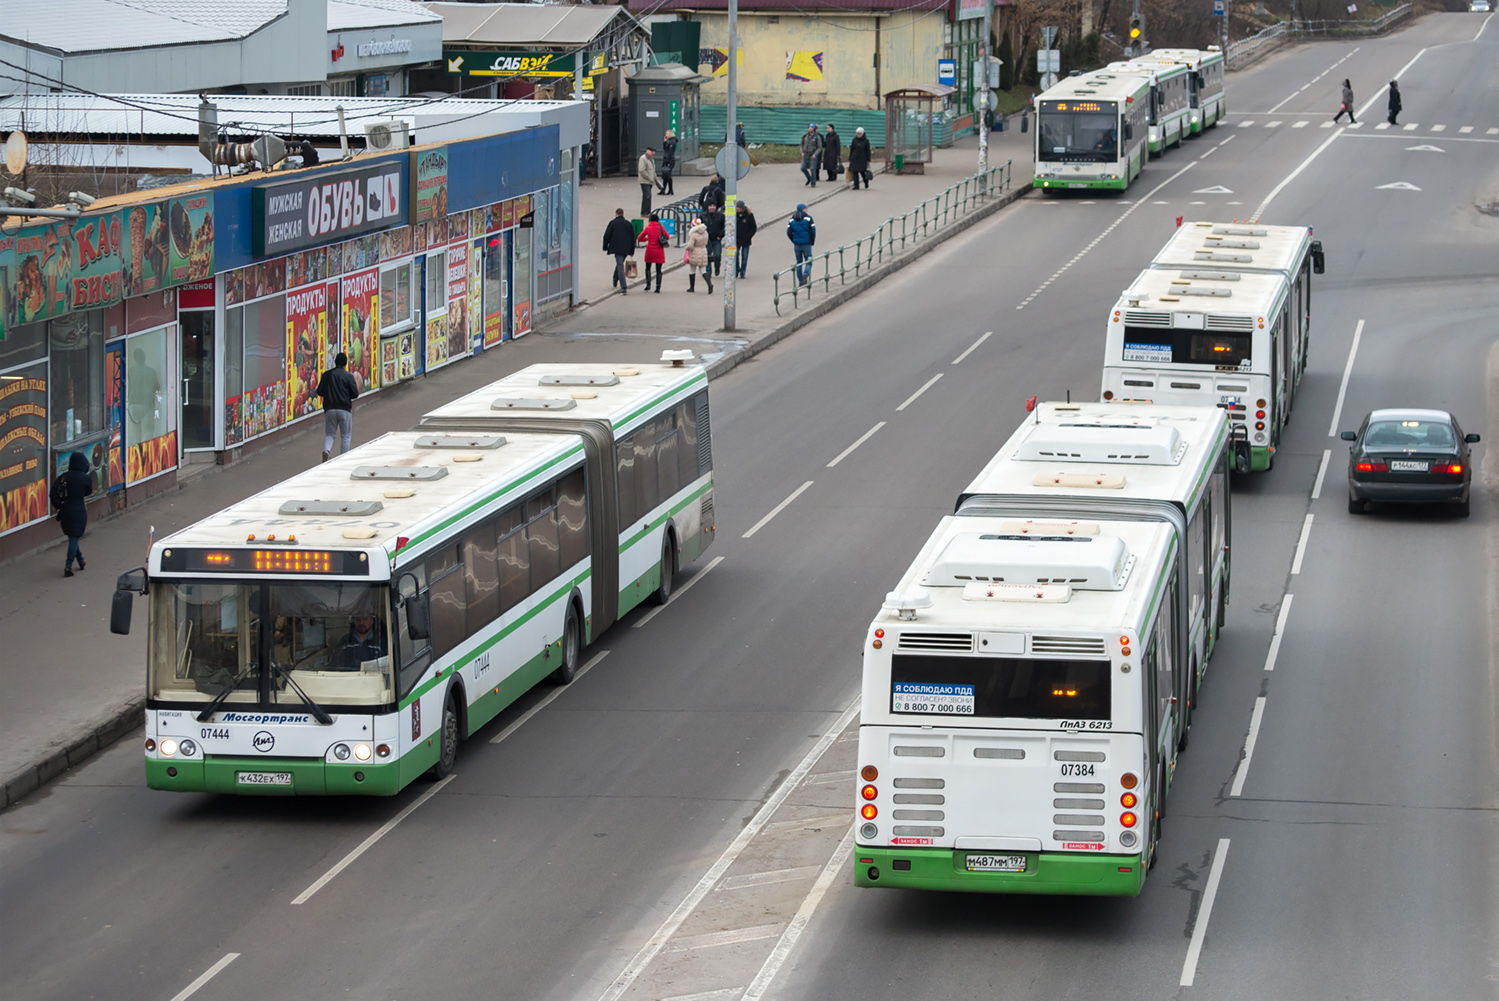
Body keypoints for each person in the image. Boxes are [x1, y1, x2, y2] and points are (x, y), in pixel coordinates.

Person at [53, 451, 93, 577]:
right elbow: (88, 492)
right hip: (79, 510)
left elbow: (53, 493)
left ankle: (81, 561)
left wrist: (58, 506)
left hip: (66, 511)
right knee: (74, 538)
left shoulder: (63, 477)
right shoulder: (85, 478)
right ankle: (68, 566)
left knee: (72, 537)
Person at [315, 352, 361, 462]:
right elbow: (355, 394)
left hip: (330, 409)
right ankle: (343, 459)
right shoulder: (349, 376)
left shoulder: (326, 375)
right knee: (345, 435)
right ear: (345, 363)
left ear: (335, 362)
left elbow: (319, 391)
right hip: (344, 409)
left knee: (330, 433)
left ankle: (326, 450)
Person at [602, 207, 637, 296]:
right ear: (623, 214)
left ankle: (623, 287)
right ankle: (615, 278)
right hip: (626, 249)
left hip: (617, 248)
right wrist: (632, 250)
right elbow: (633, 238)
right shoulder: (628, 224)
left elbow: (606, 236)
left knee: (620, 265)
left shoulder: (613, 223)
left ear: (616, 214)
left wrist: (605, 247)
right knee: (620, 263)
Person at [637, 211, 668, 293]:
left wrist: (647, 239)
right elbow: (667, 236)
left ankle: (648, 285)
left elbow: (639, 238)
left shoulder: (648, 227)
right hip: (659, 250)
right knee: (658, 270)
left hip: (650, 250)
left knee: (648, 268)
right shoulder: (661, 227)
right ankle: (658, 287)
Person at [786, 202, 815, 286]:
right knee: (809, 260)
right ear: (802, 210)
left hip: (797, 244)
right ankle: (805, 274)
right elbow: (813, 231)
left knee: (799, 262)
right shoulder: (808, 219)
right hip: (806, 243)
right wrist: (811, 241)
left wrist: (794, 240)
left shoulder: (792, 219)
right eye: (806, 209)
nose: (807, 210)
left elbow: (788, 232)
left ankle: (801, 281)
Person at [684, 217, 711, 293]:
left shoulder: (693, 234)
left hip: (695, 251)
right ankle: (709, 284)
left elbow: (690, 245)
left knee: (692, 269)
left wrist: (686, 248)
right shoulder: (705, 232)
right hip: (703, 250)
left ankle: (692, 287)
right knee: (703, 270)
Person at [702, 201, 726, 277]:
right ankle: (708, 272)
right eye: (710, 206)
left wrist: (721, 235)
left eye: (713, 206)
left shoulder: (720, 215)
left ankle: (717, 267)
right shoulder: (703, 216)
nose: (712, 207)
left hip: (717, 239)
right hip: (707, 240)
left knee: (717, 255)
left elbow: (725, 227)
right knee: (707, 256)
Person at [735, 202, 757, 279]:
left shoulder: (749, 215)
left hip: (746, 240)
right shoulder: (734, 215)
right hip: (736, 240)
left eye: (738, 208)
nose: (737, 209)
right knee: (735, 255)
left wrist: (748, 236)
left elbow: (753, 227)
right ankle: (736, 270)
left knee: (744, 257)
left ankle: (743, 272)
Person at [637, 146, 657, 216]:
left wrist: (655, 179)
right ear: (648, 151)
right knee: (647, 196)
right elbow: (642, 170)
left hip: (650, 181)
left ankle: (648, 211)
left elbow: (653, 170)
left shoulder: (651, 159)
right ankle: (644, 212)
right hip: (645, 181)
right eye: (652, 152)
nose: (653, 153)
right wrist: (649, 177)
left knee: (648, 196)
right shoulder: (643, 158)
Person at [659, 130, 677, 195]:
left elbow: (670, 151)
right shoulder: (668, 141)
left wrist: (667, 160)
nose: (666, 135)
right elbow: (665, 148)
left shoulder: (672, 142)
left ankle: (669, 190)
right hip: (667, 159)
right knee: (665, 175)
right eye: (666, 133)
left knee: (667, 174)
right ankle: (665, 189)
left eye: (668, 133)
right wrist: (665, 142)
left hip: (670, 160)